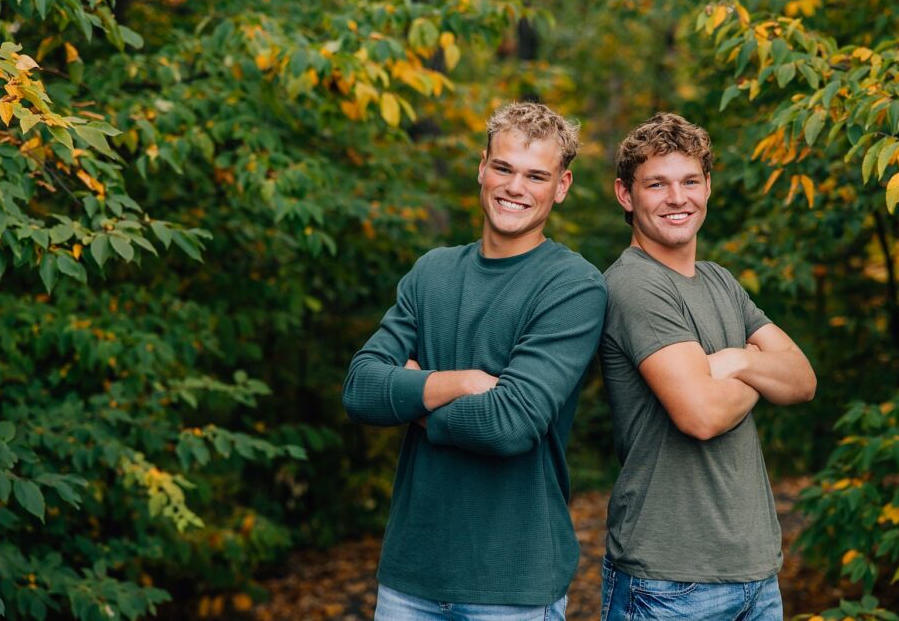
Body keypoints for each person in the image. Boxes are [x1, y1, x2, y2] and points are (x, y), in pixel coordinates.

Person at [343, 102, 607, 620]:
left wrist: (414, 398)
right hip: (409, 576)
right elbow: (359, 388)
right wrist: (459, 382)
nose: (515, 187)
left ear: (562, 185)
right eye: (504, 168)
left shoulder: (573, 284)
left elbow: (510, 424)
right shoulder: (431, 271)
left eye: (536, 175)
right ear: (482, 167)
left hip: (513, 584)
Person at [598, 113, 817, 620]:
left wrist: (737, 359)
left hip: (755, 574)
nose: (678, 198)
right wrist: (762, 367)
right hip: (671, 582)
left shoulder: (720, 281)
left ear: (708, 187)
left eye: (690, 181)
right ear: (626, 195)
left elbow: (803, 381)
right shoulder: (635, 285)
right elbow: (701, 415)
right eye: (657, 184)